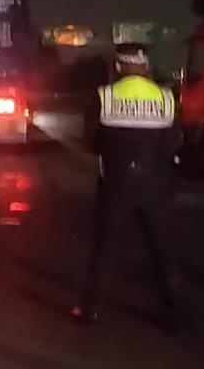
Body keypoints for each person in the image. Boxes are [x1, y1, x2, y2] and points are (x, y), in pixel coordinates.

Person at [72, 44, 183, 328]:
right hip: (157, 183)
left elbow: (90, 141)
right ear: (145, 66)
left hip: (117, 181)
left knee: (105, 246)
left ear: (118, 67)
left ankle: (91, 311)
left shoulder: (105, 96)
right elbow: (175, 141)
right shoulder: (166, 97)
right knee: (163, 249)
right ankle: (174, 316)